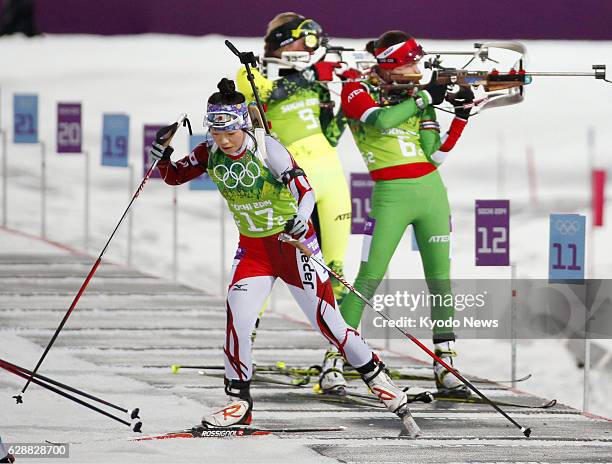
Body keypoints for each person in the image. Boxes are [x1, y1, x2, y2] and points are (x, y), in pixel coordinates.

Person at [151, 78, 417, 427]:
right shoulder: (209, 152)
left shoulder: (267, 148)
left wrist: (300, 219)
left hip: (294, 247)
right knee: (239, 318)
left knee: (329, 324)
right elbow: (173, 177)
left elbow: (304, 190)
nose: (223, 140)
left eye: (229, 132)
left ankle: (378, 380)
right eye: (216, 133)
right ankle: (238, 401)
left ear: (242, 125)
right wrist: (160, 155)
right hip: (254, 250)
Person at [339, 31, 473, 396]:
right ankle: (334, 360)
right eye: (411, 63)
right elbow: (379, 121)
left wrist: (460, 117)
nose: (418, 70)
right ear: (390, 64)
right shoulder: (355, 87)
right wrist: (427, 96)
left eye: (419, 63)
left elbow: (435, 155)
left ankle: (445, 363)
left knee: (441, 280)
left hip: (431, 192)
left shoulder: (418, 99)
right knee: (369, 277)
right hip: (391, 195)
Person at [235, 12, 353, 393]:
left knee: (336, 269)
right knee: (268, 266)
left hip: (330, 177)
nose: (314, 49)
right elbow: (250, 94)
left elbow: (330, 135)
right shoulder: (257, 77)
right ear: (287, 43)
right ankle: (244, 349)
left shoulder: (315, 85)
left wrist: (345, 99)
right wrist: (306, 76)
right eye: (307, 42)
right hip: (291, 181)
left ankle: (335, 361)